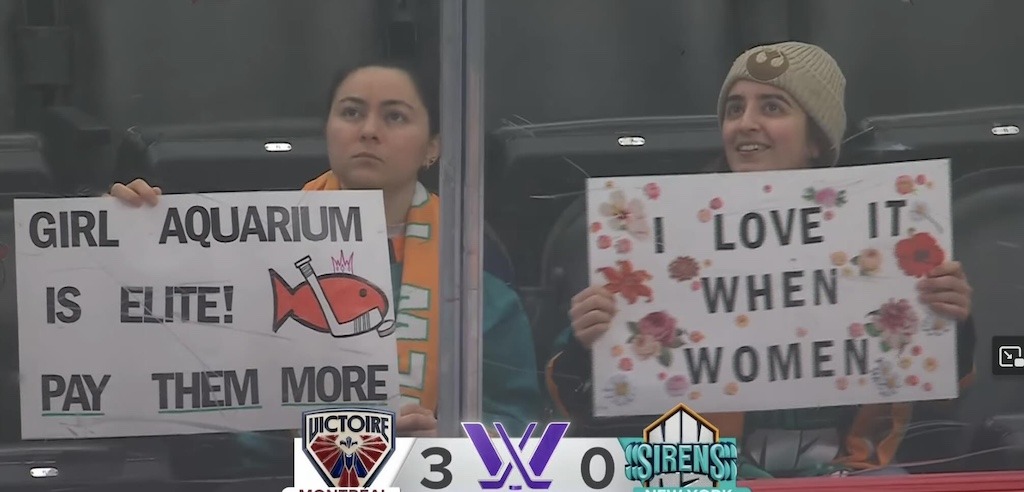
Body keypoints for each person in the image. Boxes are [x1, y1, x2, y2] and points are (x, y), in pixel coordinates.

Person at [545, 41, 977, 478]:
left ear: (816, 139)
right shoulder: (657, 230)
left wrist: (948, 318)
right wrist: (589, 344)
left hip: (853, 478)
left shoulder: (886, 232)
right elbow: (583, 405)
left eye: (771, 107)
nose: (745, 124)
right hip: (700, 477)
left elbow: (939, 398)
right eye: (734, 110)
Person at [109, 61, 544, 438]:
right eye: (351, 112)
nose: (369, 131)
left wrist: (450, 438)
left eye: (395, 117)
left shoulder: (470, 265)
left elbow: (523, 422)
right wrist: (123, 237)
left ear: (433, 147)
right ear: (329, 130)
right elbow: (184, 392)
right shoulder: (250, 247)